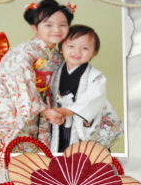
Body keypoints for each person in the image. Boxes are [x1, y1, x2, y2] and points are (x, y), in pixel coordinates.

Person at [0, 0, 74, 150]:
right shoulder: (23, 52)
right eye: (48, 25)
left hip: (41, 107)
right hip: (14, 106)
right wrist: (44, 110)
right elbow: (21, 83)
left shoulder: (58, 56)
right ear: (35, 27)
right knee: (12, 151)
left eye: (63, 25)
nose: (57, 29)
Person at [50, 25, 123, 153]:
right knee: (59, 148)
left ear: (94, 52)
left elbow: (93, 97)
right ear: (61, 47)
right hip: (59, 119)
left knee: (86, 154)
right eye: (71, 46)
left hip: (80, 122)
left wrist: (68, 111)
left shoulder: (96, 77)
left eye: (85, 48)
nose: (77, 52)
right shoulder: (54, 72)